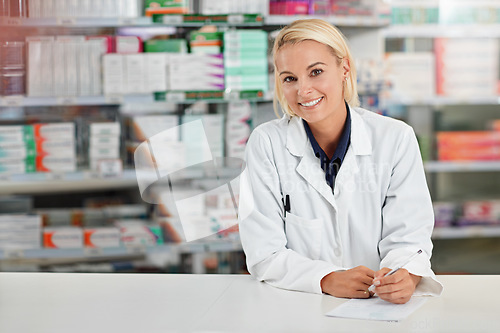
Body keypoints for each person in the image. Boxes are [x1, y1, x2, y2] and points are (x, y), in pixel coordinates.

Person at [237, 19, 443, 304]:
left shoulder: (395, 138)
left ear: (344, 69)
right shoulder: (266, 143)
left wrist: (404, 274)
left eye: (316, 72)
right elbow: (263, 252)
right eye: (289, 78)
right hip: (299, 307)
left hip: (378, 307)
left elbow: (410, 235)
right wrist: (326, 278)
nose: (303, 90)